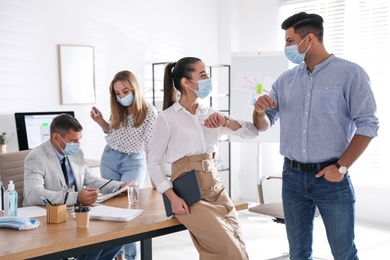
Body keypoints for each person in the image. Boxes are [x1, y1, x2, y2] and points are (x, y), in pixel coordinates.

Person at [252, 12, 379, 260]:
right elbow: (264, 124)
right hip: (292, 177)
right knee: (298, 253)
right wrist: (258, 112)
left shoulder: (351, 74)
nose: (286, 47)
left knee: (343, 252)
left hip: (332, 177)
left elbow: (368, 125)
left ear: (309, 39)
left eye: (289, 41)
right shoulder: (286, 80)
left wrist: (341, 167)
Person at [148, 57, 260, 259]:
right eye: (203, 75)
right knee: (229, 251)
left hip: (216, 187)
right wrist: (172, 198)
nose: (208, 79)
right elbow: (154, 164)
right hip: (190, 193)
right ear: (185, 82)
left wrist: (226, 121)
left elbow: (252, 132)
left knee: (239, 248)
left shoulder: (211, 114)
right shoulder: (166, 118)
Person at [23, 113, 124, 260]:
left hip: (74, 217)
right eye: (73, 140)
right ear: (56, 137)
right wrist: (76, 197)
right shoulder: (37, 156)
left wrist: (120, 186)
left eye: (79, 139)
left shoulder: (76, 153)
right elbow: (33, 194)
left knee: (118, 237)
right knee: (95, 243)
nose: (77, 144)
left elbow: (91, 180)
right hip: (49, 220)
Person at [90, 70, 158, 260]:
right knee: (111, 209)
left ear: (134, 88)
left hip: (134, 162)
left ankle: (131, 257)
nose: (121, 97)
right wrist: (101, 121)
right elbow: (112, 133)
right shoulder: (118, 108)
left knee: (129, 209)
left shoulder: (149, 112)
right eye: (117, 93)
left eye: (125, 91)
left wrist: (155, 176)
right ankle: (117, 256)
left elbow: (151, 146)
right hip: (110, 158)